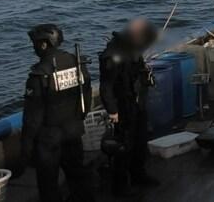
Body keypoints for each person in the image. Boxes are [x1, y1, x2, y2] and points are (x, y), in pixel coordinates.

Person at [21, 24, 94, 202]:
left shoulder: (39, 75)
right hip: (73, 131)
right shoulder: (76, 62)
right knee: (78, 177)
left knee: (49, 185)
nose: (34, 48)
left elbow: (33, 116)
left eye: (35, 44)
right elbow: (86, 93)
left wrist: (27, 145)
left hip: (49, 138)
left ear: (44, 44)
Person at [99, 18, 160, 197]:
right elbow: (106, 86)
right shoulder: (112, 55)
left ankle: (138, 174)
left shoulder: (133, 50)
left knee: (140, 142)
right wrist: (112, 110)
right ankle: (120, 185)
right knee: (123, 146)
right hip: (122, 106)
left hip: (137, 102)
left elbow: (138, 71)